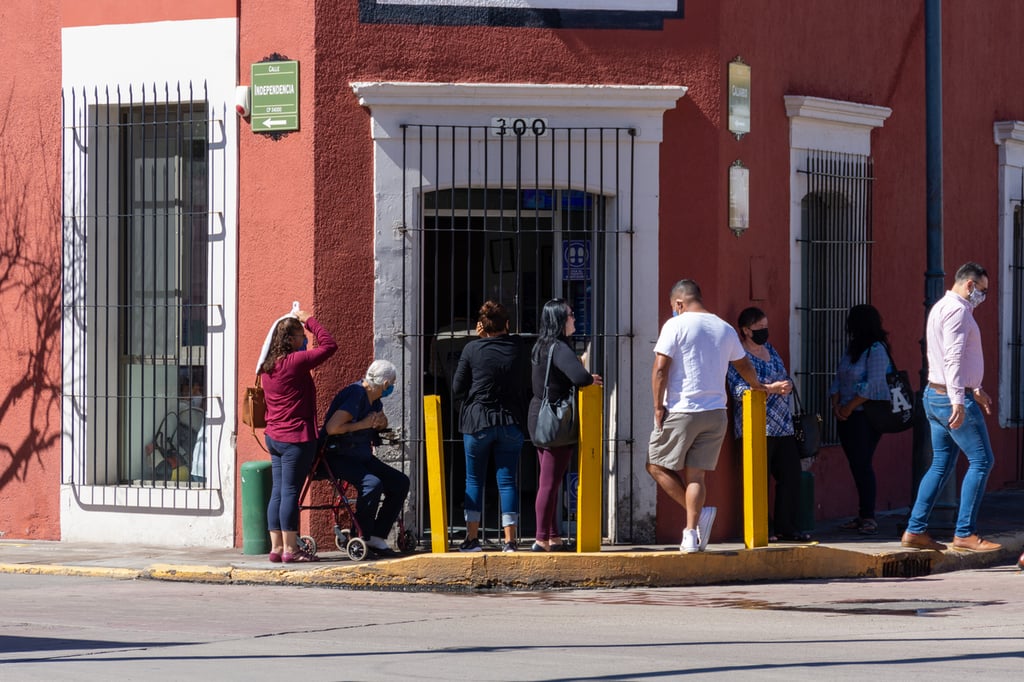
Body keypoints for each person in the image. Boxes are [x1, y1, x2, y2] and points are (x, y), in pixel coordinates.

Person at [648, 280, 789, 554]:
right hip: (716, 413)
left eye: (673, 307)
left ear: (679, 304)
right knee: (696, 476)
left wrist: (657, 406)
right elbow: (743, 364)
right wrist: (758, 385)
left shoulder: (674, 325)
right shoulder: (724, 328)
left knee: (655, 465)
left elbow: (660, 369)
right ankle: (690, 535)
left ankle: (698, 518)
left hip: (683, 409)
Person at [902, 262, 1002, 553]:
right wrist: (960, 399)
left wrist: (975, 388)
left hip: (935, 396)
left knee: (941, 464)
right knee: (982, 461)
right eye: (982, 290)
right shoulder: (958, 311)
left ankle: (915, 529)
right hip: (950, 399)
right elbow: (953, 359)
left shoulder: (942, 307)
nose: (983, 297)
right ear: (969, 285)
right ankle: (965, 533)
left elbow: (952, 358)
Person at [451, 301, 531, 553]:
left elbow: (457, 388)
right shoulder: (518, 347)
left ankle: (472, 539)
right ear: (507, 325)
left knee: (473, 480)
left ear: (481, 327)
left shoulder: (472, 349)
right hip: (510, 421)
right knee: (507, 481)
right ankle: (510, 541)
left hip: (477, 421)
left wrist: (479, 339)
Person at [261, 310, 338, 563]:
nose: (304, 339)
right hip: (295, 437)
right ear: (292, 339)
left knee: (278, 492)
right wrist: (309, 320)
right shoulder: (294, 362)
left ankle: (277, 548)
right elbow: (329, 345)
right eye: (301, 336)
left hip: (274, 436)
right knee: (290, 491)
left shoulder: (267, 365)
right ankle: (291, 550)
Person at [726, 307, 807, 542]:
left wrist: (786, 384)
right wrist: (771, 388)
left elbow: (783, 373)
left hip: (782, 425)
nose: (764, 332)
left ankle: (786, 527)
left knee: (791, 476)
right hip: (756, 426)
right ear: (745, 330)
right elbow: (739, 389)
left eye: (766, 327)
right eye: (759, 328)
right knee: (758, 479)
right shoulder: (738, 356)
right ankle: (764, 528)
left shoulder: (769, 349)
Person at [527, 299, 602, 552]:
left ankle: (553, 536)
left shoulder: (541, 345)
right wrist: (588, 376)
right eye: (570, 315)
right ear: (560, 319)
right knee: (549, 481)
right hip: (555, 419)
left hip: (539, 416)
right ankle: (540, 538)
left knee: (552, 478)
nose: (574, 319)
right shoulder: (559, 348)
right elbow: (580, 378)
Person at [321, 359, 410, 555]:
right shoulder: (356, 394)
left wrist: (379, 422)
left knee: (400, 482)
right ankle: (361, 535)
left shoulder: (375, 399)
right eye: (392, 384)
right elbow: (332, 427)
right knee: (372, 483)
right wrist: (362, 425)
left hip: (361, 455)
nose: (391, 388)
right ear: (386, 384)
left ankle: (377, 537)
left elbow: (382, 419)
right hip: (338, 456)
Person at [828, 304, 892, 536]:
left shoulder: (876, 349)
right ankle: (863, 514)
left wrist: (848, 407)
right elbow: (839, 378)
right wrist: (837, 406)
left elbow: (873, 384)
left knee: (863, 465)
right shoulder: (852, 349)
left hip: (866, 417)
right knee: (857, 465)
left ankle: (868, 516)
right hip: (846, 416)